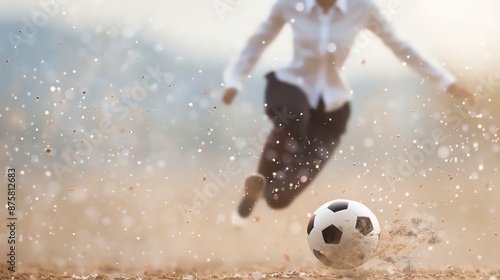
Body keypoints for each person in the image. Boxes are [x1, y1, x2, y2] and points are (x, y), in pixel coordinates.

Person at [222, 0, 476, 218]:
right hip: (291, 84)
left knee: (281, 199)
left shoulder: (362, 7)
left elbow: (400, 46)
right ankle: (258, 182)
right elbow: (257, 41)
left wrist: (446, 81)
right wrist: (234, 80)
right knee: (293, 118)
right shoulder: (289, 4)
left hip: (332, 104)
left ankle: (270, 192)